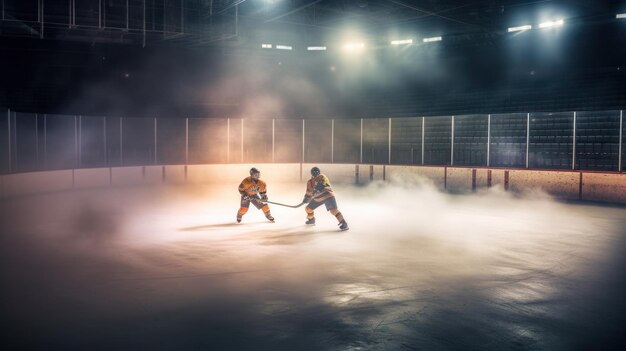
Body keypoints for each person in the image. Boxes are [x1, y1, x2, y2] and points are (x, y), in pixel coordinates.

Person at [302, 166, 349, 231]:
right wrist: (306, 198)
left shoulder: (322, 176)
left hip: (327, 195)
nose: (315, 172)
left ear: (319, 172)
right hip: (317, 198)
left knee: (333, 211)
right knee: (308, 208)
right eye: (314, 171)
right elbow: (308, 192)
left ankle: (344, 223)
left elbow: (323, 183)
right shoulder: (309, 182)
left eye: (316, 171)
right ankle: (311, 220)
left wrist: (318, 188)